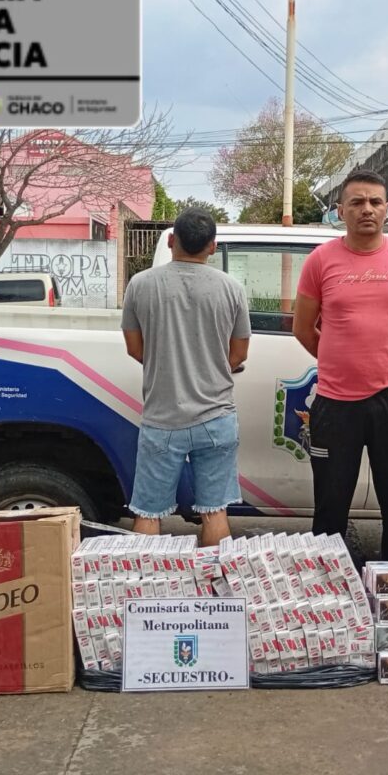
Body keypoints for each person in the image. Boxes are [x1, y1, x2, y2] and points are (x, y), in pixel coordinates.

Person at [292, 169, 388, 561]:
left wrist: (386, 357)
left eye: (375, 202)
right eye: (356, 202)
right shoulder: (321, 260)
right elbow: (303, 328)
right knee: (330, 505)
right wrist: (341, 359)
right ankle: (329, 585)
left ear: (387, 209)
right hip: (335, 404)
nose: (366, 209)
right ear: (341, 211)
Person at [121, 208, 251, 547]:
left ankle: (145, 578)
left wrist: (165, 362)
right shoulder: (232, 288)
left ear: (171, 240)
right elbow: (239, 354)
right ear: (212, 246)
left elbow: (135, 349)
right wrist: (211, 366)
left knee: (148, 513)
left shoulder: (140, 284)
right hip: (216, 417)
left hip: (162, 418)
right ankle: (213, 579)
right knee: (215, 511)